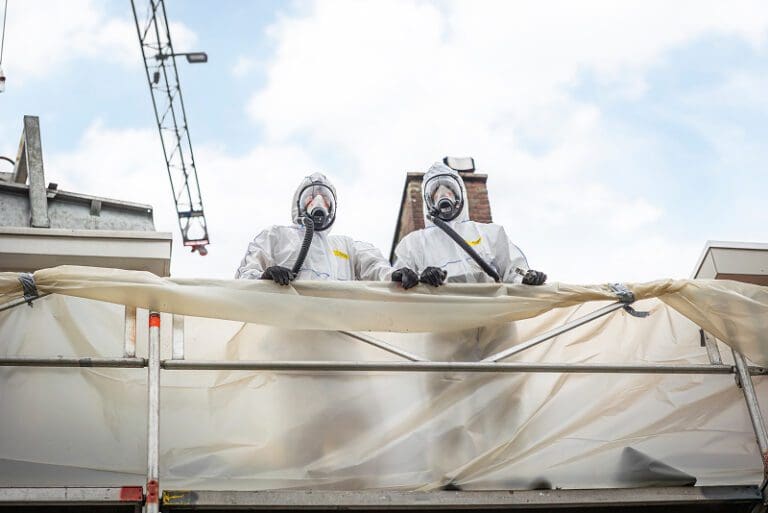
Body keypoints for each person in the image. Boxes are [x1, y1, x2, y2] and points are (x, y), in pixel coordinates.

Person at [236, 172, 418, 288]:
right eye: (310, 197)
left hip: (337, 332)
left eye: (325, 198)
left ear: (332, 207)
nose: (318, 201)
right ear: (299, 204)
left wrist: (394, 275)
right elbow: (244, 279)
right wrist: (264, 277)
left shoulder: (347, 246)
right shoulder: (276, 236)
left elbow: (374, 268)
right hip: (287, 332)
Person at [393, 161, 547, 286]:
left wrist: (526, 277)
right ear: (429, 201)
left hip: (491, 312)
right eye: (436, 193)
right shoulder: (413, 244)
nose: (443, 195)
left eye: (449, 190)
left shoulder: (490, 234)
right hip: (442, 313)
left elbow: (513, 269)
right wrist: (421, 278)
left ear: (460, 195)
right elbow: (400, 282)